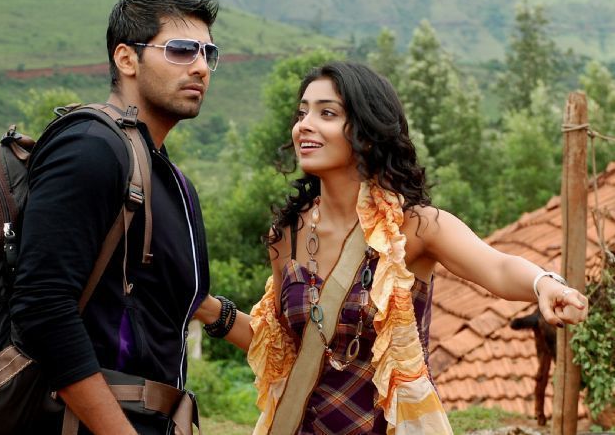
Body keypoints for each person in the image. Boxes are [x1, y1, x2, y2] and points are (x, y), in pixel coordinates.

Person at [194, 61, 589, 434]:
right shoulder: (287, 236)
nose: (304, 126)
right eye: (302, 113)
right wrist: (207, 308)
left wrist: (543, 284)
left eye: (326, 113)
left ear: (366, 134)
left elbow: (498, 267)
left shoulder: (412, 227)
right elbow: (282, 346)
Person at [10, 0, 219, 434]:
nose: (201, 67)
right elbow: (42, 306)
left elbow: (172, 302)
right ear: (126, 58)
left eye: (208, 53)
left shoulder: (165, 176)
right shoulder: (91, 148)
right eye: (181, 50)